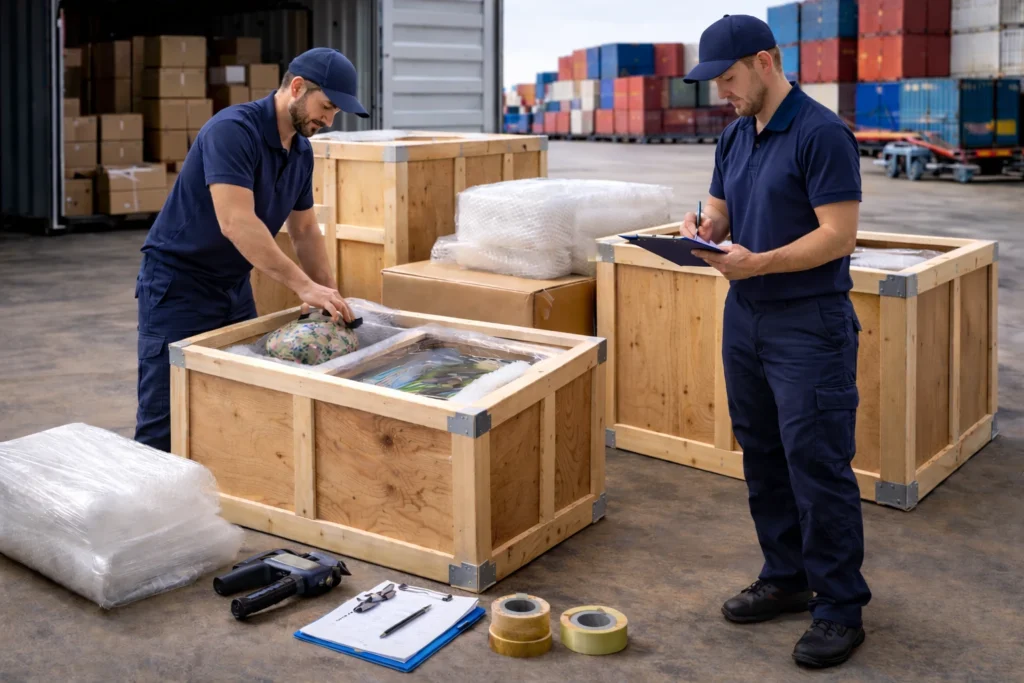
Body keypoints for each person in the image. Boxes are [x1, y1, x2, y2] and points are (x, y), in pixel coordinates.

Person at [681, 15, 870, 669]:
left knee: (816, 465)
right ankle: (787, 576)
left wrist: (758, 262)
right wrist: (699, 228)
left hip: (808, 323)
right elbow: (719, 212)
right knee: (763, 454)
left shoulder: (822, 134)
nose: (721, 93)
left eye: (728, 78)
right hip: (748, 319)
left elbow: (838, 235)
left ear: (766, 61)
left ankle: (840, 607)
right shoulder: (734, 137)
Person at [134, 47, 369, 452]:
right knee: (165, 419)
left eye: (335, 114)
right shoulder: (232, 131)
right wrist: (301, 286)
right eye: (326, 107)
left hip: (233, 286)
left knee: (239, 405)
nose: (329, 121)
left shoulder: (300, 151)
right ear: (296, 87)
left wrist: (329, 295)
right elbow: (236, 222)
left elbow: (305, 230)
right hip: (178, 286)